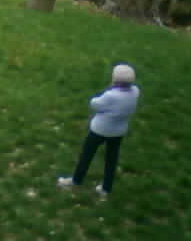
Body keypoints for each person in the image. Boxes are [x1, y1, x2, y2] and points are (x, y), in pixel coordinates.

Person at [57, 63, 140, 197]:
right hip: (119, 132)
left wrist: (107, 93)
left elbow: (94, 104)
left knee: (87, 155)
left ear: (115, 80)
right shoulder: (135, 92)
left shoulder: (111, 96)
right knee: (111, 159)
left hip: (100, 131)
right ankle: (106, 188)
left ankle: (76, 180)